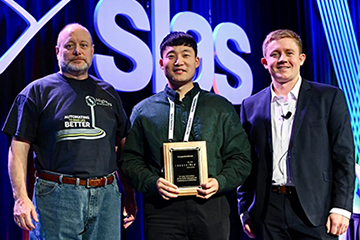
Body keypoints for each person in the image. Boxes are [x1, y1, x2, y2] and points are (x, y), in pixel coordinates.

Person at [2, 23, 136, 239]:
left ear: (92, 50)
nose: (77, 51)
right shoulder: (37, 92)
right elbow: (18, 150)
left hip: (107, 197)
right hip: (57, 197)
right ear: (57, 51)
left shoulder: (108, 93)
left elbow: (123, 148)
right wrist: (20, 198)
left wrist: (129, 194)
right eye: (69, 46)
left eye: (83, 45)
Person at [120, 31, 251, 240]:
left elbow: (241, 157)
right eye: (171, 55)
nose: (179, 61)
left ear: (197, 61)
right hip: (161, 210)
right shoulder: (144, 110)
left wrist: (220, 181)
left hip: (211, 206)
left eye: (186, 54)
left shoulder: (220, 107)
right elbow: (129, 159)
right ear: (162, 63)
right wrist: (153, 182)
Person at [237, 29, 355, 239]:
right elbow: (245, 161)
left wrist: (341, 207)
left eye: (289, 53)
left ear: (301, 59)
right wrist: (245, 208)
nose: (283, 59)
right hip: (267, 211)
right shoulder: (250, 105)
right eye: (275, 54)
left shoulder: (329, 97)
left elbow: (344, 156)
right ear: (265, 62)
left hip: (315, 209)